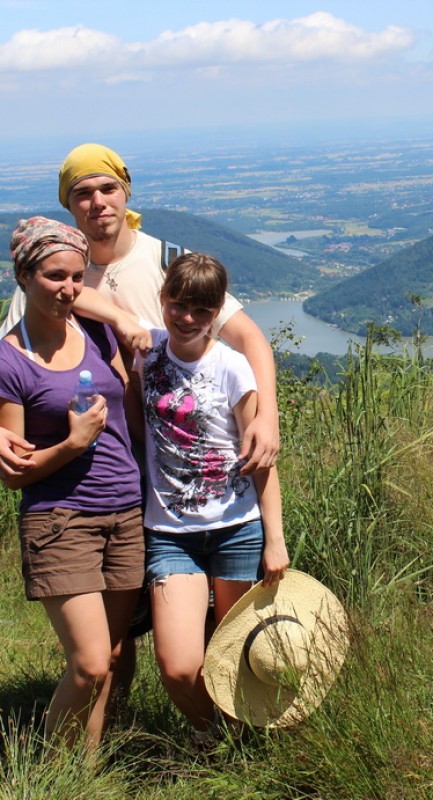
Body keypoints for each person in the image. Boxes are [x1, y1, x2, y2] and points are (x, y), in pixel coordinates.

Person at [0, 142, 280, 480]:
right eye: (83, 193)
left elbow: (249, 338)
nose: (98, 202)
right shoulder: (50, 279)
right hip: (103, 468)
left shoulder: (170, 262)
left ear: (125, 193)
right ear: (69, 204)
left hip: (184, 454)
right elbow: (8, 366)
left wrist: (268, 416)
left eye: (108, 188)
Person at [0, 217, 144, 749]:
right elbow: (15, 474)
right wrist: (71, 444)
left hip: (125, 512)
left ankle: (85, 769)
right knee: (86, 664)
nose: (67, 289)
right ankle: (49, 768)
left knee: (108, 657)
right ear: (24, 276)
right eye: (54, 276)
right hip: (62, 520)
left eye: (77, 278)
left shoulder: (95, 329)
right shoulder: (9, 361)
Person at [132, 252, 288, 741]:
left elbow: (260, 458)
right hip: (169, 533)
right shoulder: (146, 352)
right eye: (178, 305)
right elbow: (89, 298)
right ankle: (216, 735)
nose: (187, 318)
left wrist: (274, 539)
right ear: (162, 300)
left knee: (235, 650)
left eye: (201, 310)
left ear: (217, 311)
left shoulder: (234, 368)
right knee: (179, 665)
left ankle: (242, 746)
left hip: (236, 529)